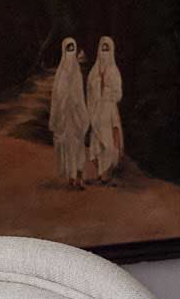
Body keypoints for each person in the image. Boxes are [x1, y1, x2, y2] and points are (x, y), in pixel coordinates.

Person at [48, 37, 88, 189]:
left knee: (78, 145)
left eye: (73, 49)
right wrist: (57, 115)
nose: (70, 53)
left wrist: (81, 113)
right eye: (68, 49)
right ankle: (71, 177)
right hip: (65, 118)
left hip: (76, 116)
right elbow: (56, 97)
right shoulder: (60, 74)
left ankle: (79, 176)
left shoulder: (77, 73)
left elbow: (80, 95)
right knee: (68, 146)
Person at [87, 35, 124, 183]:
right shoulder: (93, 71)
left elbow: (118, 94)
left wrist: (105, 86)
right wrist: (99, 82)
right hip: (96, 110)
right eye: (102, 49)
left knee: (109, 142)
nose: (104, 53)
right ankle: (100, 173)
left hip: (109, 111)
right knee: (96, 142)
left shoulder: (114, 71)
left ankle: (106, 174)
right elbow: (89, 90)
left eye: (107, 49)